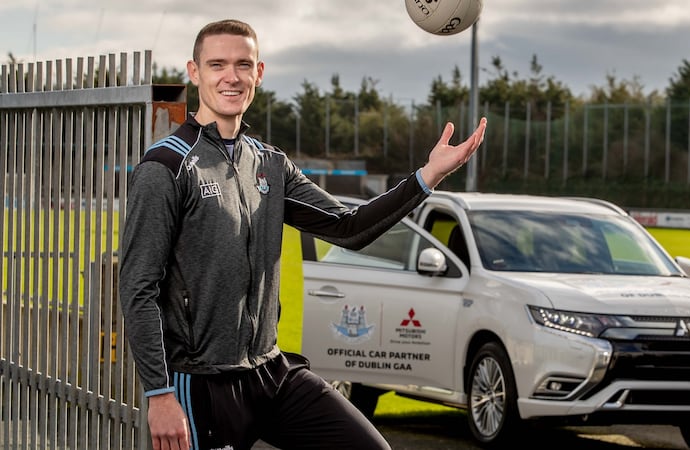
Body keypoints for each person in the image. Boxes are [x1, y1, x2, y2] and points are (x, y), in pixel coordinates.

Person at [119, 18, 487, 450]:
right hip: (199, 384)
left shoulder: (269, 163)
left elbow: (349, 228)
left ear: (259, 73)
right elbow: (138, 287)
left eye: (243, 64)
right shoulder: (166, 166)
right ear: (194, 72)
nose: (231, 76)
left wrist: (427, 176)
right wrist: (159, 393)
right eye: (217, 64)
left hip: (269, 372)